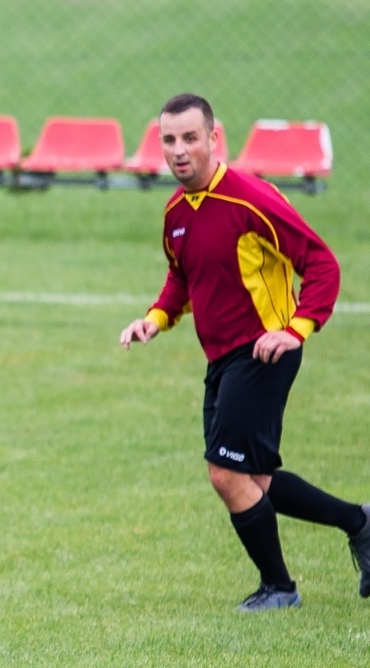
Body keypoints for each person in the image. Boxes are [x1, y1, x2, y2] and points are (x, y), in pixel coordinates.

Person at [119, 93, 368, 611]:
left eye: (190, 138)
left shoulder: (250, 198)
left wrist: (296, 329)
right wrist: (154, 319)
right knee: (254, 478)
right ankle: (360, 522)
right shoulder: (175, 214)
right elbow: (181, 279)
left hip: (263, 353)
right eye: (169, 140)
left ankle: (280, 589)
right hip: (224, 358)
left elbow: (321, 262)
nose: (179, 150)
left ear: (214, 138)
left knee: (225, 473)